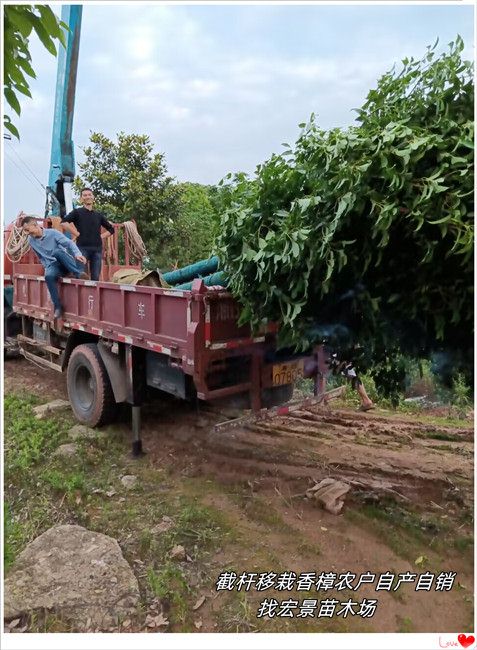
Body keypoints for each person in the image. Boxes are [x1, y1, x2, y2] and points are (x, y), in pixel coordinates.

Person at [21, 216, 88, 319]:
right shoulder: (31, 240)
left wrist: (77, 254)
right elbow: (40, 256)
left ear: (35, 225)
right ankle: (58, 307)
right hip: (53, 265)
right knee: (48, 276)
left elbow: (69, 243)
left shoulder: (52, 233)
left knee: (57, 252)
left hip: (65, 262)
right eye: (25, 231)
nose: (27, 233)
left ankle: (78, 273)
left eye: (27, 230)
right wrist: (47, 266)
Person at [61, 188, 114, 280]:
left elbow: (111, 229)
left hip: (97, 250)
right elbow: (63, 223)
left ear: (93, 197)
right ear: (81, 199)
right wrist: (76, 233)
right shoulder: (77, 212)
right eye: (84, 195)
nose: (87, 197)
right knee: (82, 276)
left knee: (95, 278)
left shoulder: (98, 215)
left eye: (89, 195)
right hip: (82, 249)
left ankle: (94, 294)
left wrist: (100, 236)